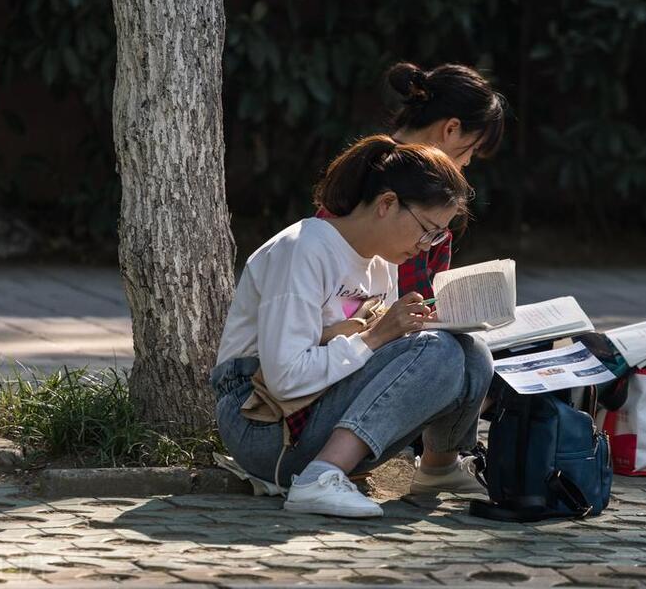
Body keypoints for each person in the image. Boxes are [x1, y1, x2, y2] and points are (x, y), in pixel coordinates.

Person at [210, 135, 494, 518]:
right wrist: (377, 335)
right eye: (428, 229)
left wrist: (409, 330)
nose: (427, 246)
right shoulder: (303, 250)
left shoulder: (380, 262)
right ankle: (319, 478)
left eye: (438, 235)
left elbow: (378, 357)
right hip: (263, 425)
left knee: (470, 350)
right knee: (436, 350)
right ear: (387, 204)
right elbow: (284, 379)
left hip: (314, 415)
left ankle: (437, 469)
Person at [318, 62, 506, 306]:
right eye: (473, 148)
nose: (468, 161)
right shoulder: (409, 186)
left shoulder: (366, 165)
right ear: (451, 129)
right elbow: (411, 303)